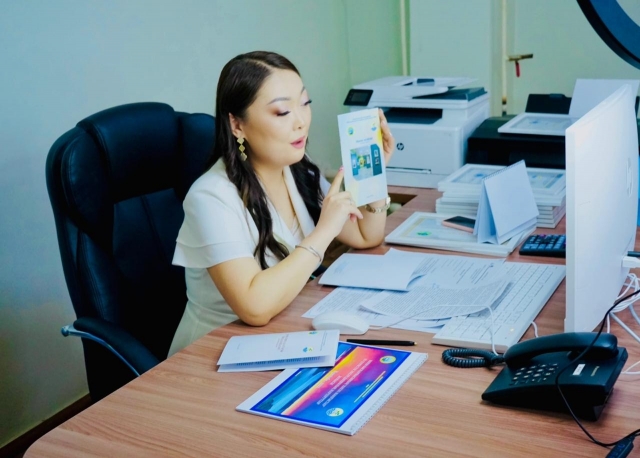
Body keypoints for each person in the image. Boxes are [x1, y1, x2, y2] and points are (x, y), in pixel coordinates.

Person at [168, 51, 395, 356]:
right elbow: (254, 308)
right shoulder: (210, 197)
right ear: (237, 124)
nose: (301, 122)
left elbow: (367, 236)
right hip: (213, 354)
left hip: (280, 337)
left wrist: (373, 174)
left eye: (305, 103)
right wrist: (323, 232)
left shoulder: (298, 169)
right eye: (282, 112)